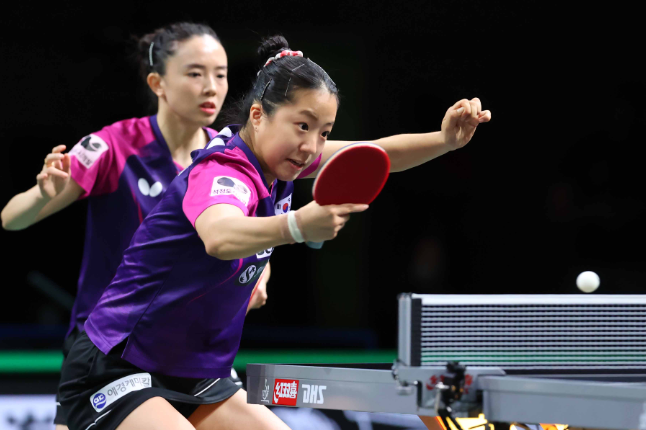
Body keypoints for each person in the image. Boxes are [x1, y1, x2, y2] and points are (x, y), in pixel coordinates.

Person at [57, 34, 490, 430]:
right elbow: (219, 235)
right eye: (302, 126)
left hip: (194, 371)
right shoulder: (223, 170)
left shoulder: (283, 163)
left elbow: (377, 155)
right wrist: (297, 225)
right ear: (258, 115)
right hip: (119, 363)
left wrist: (444, 141)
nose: (312, 146)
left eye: (324, 132)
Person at [0, 22, 269, 429]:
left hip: (189, 354)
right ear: (158, 83)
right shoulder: (115, 145)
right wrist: (41, 194)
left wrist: (261, 271)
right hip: (112, 349)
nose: (211, 88)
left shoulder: (230, 159)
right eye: (195, 73)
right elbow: (12, 218)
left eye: (220, 74)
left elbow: (252, 233)